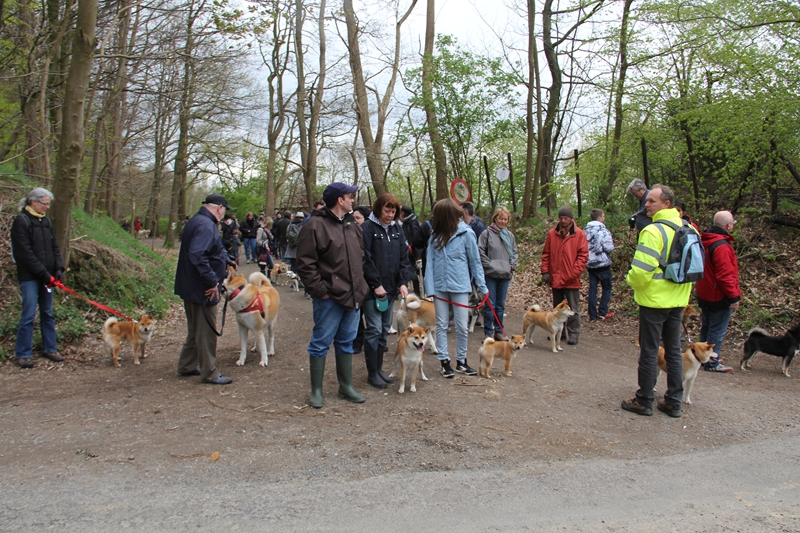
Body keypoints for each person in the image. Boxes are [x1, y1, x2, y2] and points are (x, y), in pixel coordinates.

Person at [296, 182, 368, 408]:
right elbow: (305, 264)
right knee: (320, 344)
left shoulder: (352, 225)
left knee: (346, 342)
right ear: (340, 200)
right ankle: (316, 391)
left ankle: (345, 386)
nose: (353, 200)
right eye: (350, 196)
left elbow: (361, 258)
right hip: (329, 298)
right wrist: (321, 292)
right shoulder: (315, 226)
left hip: (354, 296)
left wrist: (361, 287)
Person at [622, 184, 691, 418]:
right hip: (678, 300)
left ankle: (644, 400)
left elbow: (641, 272)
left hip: (653, 300)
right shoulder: (689, 228)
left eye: (652, 201)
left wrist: (629, 279)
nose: (647, 204)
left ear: (667, 204)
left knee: (650, 350)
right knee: (673, 350)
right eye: (647, 200)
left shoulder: (653, 232)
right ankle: (673, 401)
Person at [174, 193, 235, 385]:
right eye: (224, 210)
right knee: (206, 330)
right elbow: (197, 254)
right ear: (218, 208)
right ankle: (210, 372)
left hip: (190, 285)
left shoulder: (197, 221)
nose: (225, 214)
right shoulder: (207, 225)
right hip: (202, 288)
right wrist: (211, 282)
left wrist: (226, 260)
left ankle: (186, 365)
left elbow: (211, 250)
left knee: (195, 329)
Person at [424, 199, 488, 378]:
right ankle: (444, 362)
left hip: (460, 286)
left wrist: (482, 287)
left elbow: (475, 262)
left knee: (461, 325)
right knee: (442, 325)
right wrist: (429, 289)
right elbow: (429, 264)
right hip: (439, 287)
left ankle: (462, 361)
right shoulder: (434, 237)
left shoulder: (467, 234)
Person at [361, 194, 413, 388]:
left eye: (393, 212)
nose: (390, 215)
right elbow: (365, 258)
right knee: (373, 328)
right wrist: (376, 284)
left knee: (384, 329)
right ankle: (372, 373)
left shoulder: (397, 229)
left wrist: (402, 282)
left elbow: (403, 258)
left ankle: (379, 370)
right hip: (372, 289)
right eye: (387, 211)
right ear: (378, 209)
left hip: (391, 290)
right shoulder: (367, 228)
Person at [11, 187, 65, 368]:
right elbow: (24, 253)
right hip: (30, 277)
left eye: (49, 203)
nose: (47, 207)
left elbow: (54, 246)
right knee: (28, 314)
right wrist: (44, 274)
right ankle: (23, 353)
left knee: (47, 313)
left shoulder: (46, 222)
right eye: (45, 203)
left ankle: (50, 348)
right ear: (33, 202)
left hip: (48, 277)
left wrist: (58, 268)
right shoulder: (21, 222)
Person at [697, 210, 741, 373]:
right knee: (716, 329)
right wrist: (733, 296)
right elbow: (725, 275)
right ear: (728, 225)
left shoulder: (706, 240)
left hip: (705, 291)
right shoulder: (721, 245)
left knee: (707, 326)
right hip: (717, 295)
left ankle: (702, 357)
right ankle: (712, 361)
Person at [541, 205, 588, 345]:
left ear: (571, 219)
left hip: (572, 279)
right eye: (561, 218)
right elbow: (546, 254)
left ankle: (573, 333)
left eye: (565, 218)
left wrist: (573, 273)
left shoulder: (579, 234)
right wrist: (545, 271)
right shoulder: (552, 234)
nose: (563, 220)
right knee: (558, 308)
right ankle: (558, 333)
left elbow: (583, 256)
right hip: (555, 277)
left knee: (573, 308)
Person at [478, 206, 518, 341]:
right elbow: (480, 251)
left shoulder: (510, 236)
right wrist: (489, 265)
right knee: (490, 305)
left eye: (505, 219)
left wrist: (511, 266)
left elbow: (514, 253)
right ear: (495, 218)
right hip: (491, 274)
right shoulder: (486, 234)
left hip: (505, 275)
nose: (503, 222)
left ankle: (499, 331)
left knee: (500, 305)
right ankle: (488, 332)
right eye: (501, 219)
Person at [584, 208, 615, 321]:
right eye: (603, 216)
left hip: (590, 264)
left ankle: (592, 315)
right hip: (602, 264)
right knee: (607, 287)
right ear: (599, 218)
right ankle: (603, 312)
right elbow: (608, 247)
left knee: (593, 288)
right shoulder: (603, 231)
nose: (604, 218)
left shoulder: (584, 232)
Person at [400, 206, 423, 297]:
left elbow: (416, 241)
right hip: (409, 253)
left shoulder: (412, 223)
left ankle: (417, 293)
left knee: (413, 273)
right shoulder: (407, 223)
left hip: (413, 254)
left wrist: (418, 256)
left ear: (403, 213)